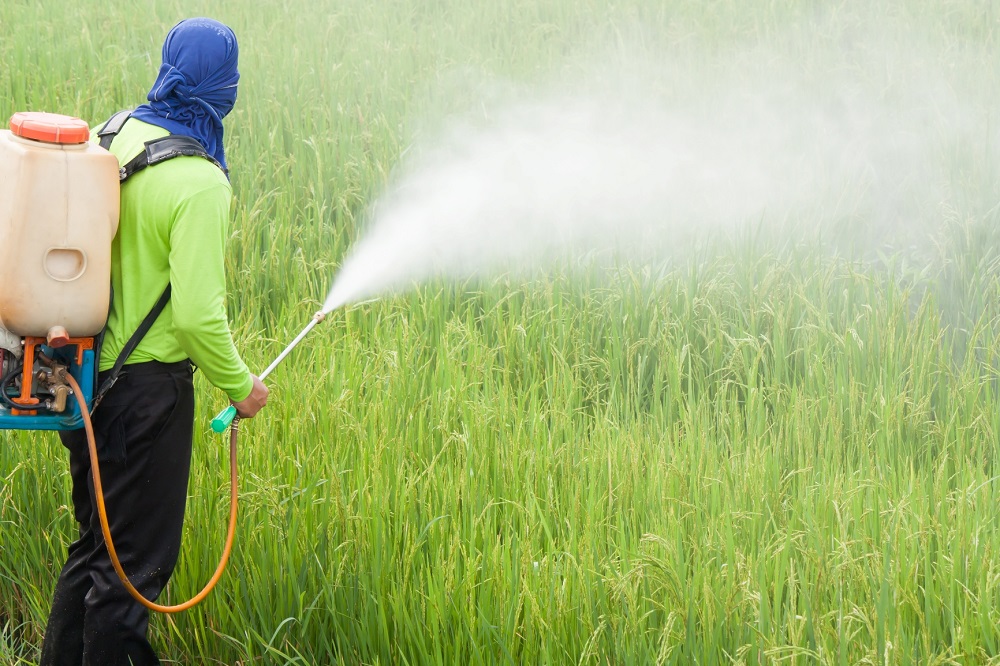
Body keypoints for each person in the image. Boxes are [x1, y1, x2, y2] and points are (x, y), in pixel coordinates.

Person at [40, 18, 268, 665]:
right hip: (147, 396)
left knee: (94, 547)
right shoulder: (201, 182)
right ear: (221, 87)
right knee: (132, 572)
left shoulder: (114, 132)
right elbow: (197, 317)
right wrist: (240, 386)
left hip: (80, 381)